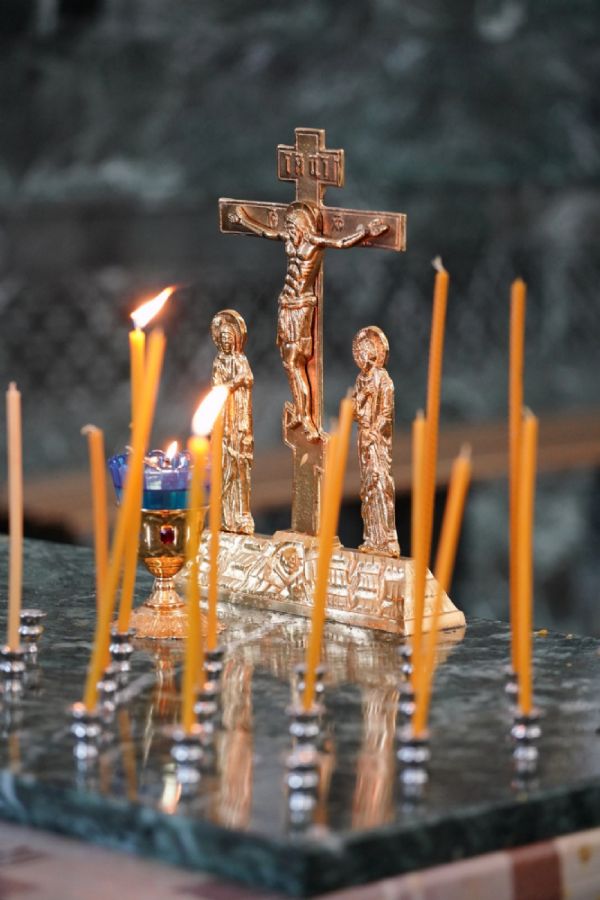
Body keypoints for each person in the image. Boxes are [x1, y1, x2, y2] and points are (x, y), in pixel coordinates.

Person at [231, 201, 387, 441]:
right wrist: (243, 220)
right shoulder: (290, 239)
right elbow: (267, 232)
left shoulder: (313, 241)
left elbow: (341, 243)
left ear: (303, 226)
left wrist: (366, 231)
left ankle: (308, 419)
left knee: (296, 360)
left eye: (293, 227)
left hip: (301, 305)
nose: (290, 230)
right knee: (288, 362)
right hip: (286, 303)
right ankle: (300, 411)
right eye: (288, 226)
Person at [352, 326, 400, 558]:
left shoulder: (384, 380)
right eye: (359, 352)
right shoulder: (361, 380)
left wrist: (374, 430)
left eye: (366, 350)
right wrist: (363, 395)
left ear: (374, 352)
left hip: (377, 440)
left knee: (380, 484)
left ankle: (387, 539)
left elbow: (386, 412)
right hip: (364, 438)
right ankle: (372, 537)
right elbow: (353, 409)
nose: (362, 355)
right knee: (368, 488)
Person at [211, 309, 255, 535]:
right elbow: (216, 386)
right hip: (224, 417)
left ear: (236, 339)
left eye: (229, 337)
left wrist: (233, 384)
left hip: (239, 416)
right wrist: (231, 384)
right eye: (223, 338)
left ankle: (242, 514)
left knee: (240, 464)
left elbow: (248, 379)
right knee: (225, 464)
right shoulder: (218, 361)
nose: (226, 341)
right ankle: (225, 516)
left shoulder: (240, 360)